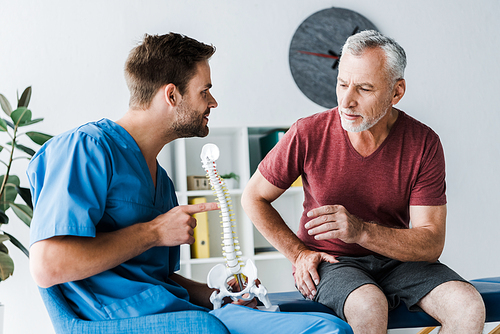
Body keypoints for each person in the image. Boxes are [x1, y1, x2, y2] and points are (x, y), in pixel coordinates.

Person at [28, 32, 352, 334]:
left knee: (330, 326)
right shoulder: (87, 148)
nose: (212, 103)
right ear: (172, 94)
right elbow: (48, 265)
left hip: (175, 308)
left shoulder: (162, 181)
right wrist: (154, 232)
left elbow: (159, 278)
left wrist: (221, 295)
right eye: (204, 91)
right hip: (120, 319)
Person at [241, 30, 486, 334]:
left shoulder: (424, 142)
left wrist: (359, 230)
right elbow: (253, 197)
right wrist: (298, 253)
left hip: (399, 261)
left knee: (469, 306)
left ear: (396, 92)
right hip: (333, 262)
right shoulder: (307, 133)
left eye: (364, 89)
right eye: (342, 84)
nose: (347, 100)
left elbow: (431, 243)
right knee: (370, 305)